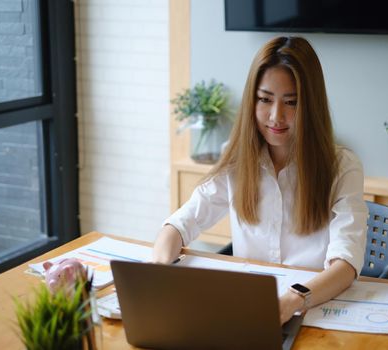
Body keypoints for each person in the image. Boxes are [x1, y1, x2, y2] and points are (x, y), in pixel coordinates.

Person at [153, 36, 367, 324]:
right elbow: (182, 223)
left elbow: (346, 265)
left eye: (291, 102)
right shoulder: (239, 158)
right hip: (247, 312)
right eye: (265, 99)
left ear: (311, 106)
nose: (276, 116)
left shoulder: (342, 167)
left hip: (311, 310)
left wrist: (292, 300)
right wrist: (156, 271)